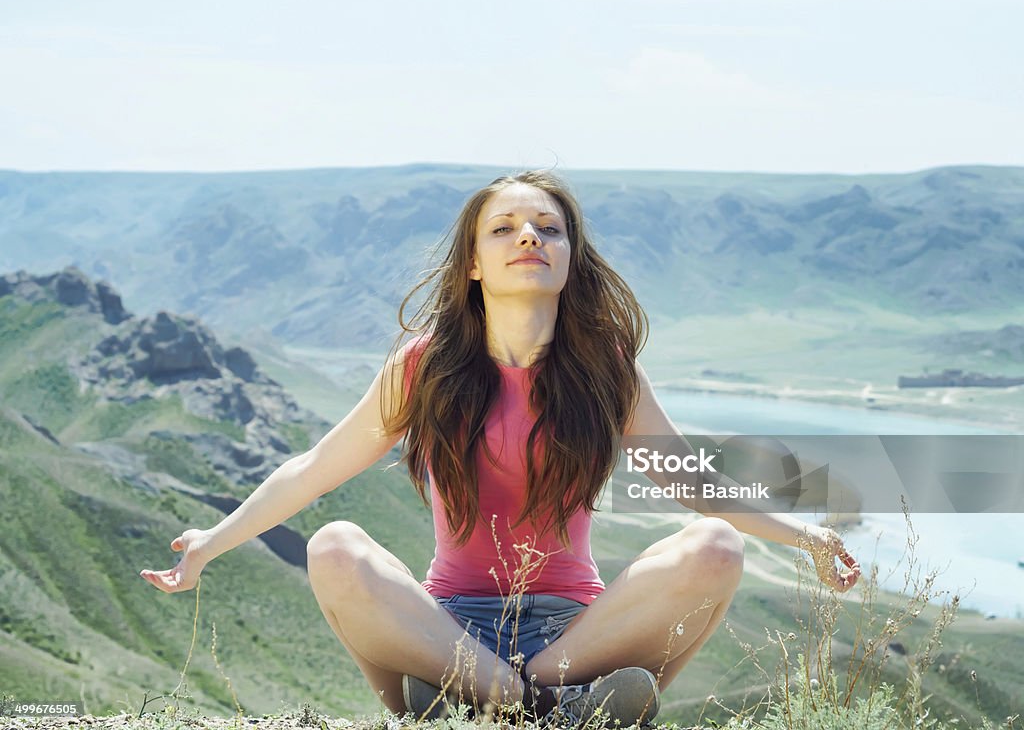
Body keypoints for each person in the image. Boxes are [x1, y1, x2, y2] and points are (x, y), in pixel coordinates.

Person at [141, 170, 861, 726]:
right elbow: (313, 470)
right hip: (444, 627)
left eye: (549, 228)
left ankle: (481, 705)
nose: (529, 238)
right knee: (333, 548)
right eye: (505, 228)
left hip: (580, 633)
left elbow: (692, 483)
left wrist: (807, 539)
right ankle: (550, 708)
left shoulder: (605, 367)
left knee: (715, 548)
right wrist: (211, 541)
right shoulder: (424, 367)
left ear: (570, 259)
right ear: (475, 264)